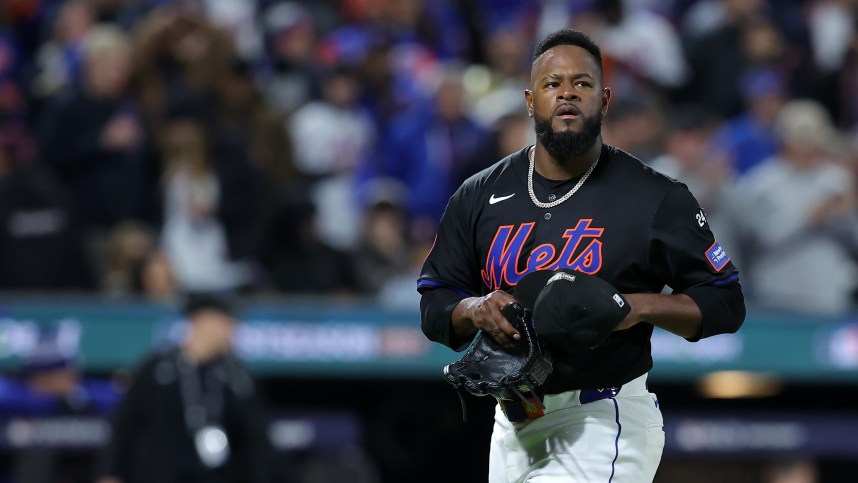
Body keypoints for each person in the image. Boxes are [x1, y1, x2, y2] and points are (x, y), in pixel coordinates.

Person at [417, 28, 745, 482]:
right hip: (509, 424)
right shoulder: (479, 193)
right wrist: (474, 309)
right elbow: (434, 301)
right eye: (553, 84)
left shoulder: (654, 197)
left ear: (605, 99)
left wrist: (635, 308)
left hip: (600, 416)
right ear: (530, 101)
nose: (567, 93)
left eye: (582, 83)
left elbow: (726, 300)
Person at [96, 292, 278, 483]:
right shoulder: (159, 369)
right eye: (227, 323)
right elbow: (126, 425)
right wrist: (110, 472)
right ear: (203, 321)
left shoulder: (236, 375)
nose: (233, 331)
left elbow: (256, 441)